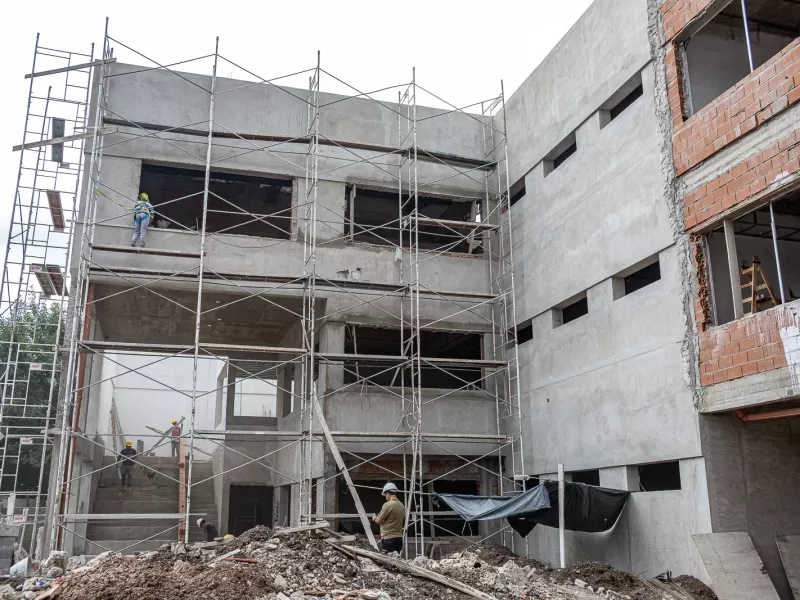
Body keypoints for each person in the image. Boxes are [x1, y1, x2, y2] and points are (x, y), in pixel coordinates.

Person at [372, 482, 404, 554]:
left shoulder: (387, 505)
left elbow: (378, 520)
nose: (385, 497)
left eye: (385, 495)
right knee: (396, 560)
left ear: (387, 493)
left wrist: (374, 517)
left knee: (388, 563)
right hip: (399, 539)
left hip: (389, 539)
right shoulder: (402, 505)